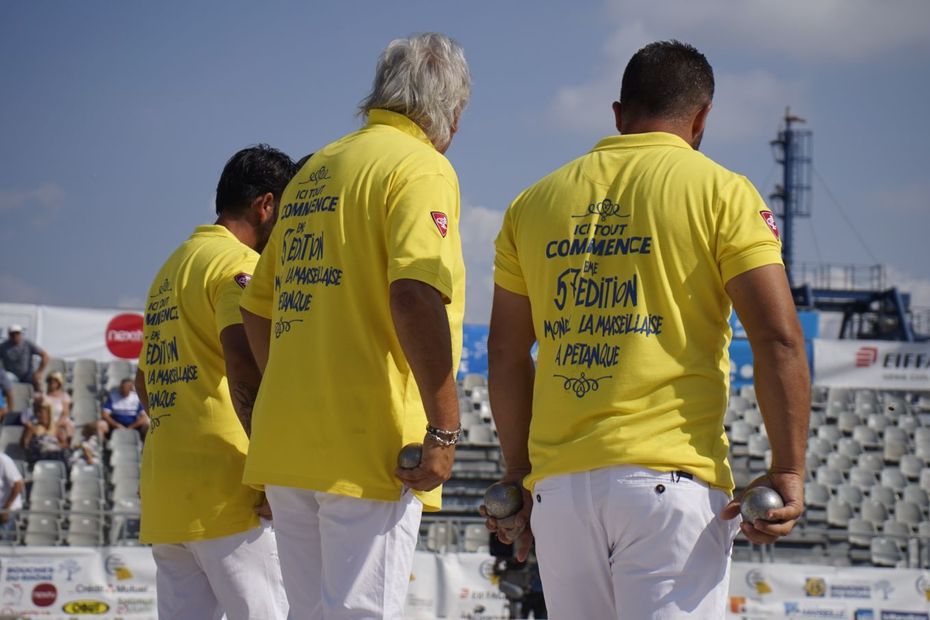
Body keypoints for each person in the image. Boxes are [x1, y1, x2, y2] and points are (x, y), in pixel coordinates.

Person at [483, 40, 810, 618]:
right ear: (703, 116)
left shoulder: (532, 204)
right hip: (669, 485)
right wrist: (787, 468)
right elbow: (777, 337)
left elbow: (508, 349)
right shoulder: (722, 192)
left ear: (617, 113)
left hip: (561, 492)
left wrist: (518, 473)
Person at [239, 32, 469, 618]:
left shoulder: (314, 169)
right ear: (449, 107)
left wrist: (290, 393)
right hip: (370, 445)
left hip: (291, 444)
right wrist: (443, 431)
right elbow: (415, 294)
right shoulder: (421, 167)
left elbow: (257, 307)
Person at [136, 145, 295, 619]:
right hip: (229, 487)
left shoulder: (170, 268)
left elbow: (145, 382)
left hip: (168, 492)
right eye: (283, 214)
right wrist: (270, 468)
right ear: (265, 205)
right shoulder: (235, 264)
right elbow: (243, 359)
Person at [0, 325, 48, 390]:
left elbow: (45, 355)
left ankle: (39, 396)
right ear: (9, 335)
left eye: (17, 333)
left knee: (37, 380)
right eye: (13, 334)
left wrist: (39, 371)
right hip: (11, 375)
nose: (15, 336)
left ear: (20, 334)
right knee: (4, 379)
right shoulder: (3, 346)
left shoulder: (28, 344)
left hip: (27, 374)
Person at [39, 371, 76, 445]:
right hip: (47, 421)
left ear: (59, 383)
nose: (52, 383)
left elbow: (65, 413)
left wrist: (57, 424)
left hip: (61, 421)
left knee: (68, 427)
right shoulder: (44, 397)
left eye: (54, 381)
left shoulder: (64, 396)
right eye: (50, 381)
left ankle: (67, 447)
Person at [0, 452, 24, 541]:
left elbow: (18, 484)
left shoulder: (4, 460)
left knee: (4, 542)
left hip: (6, 507)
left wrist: (6, 508)